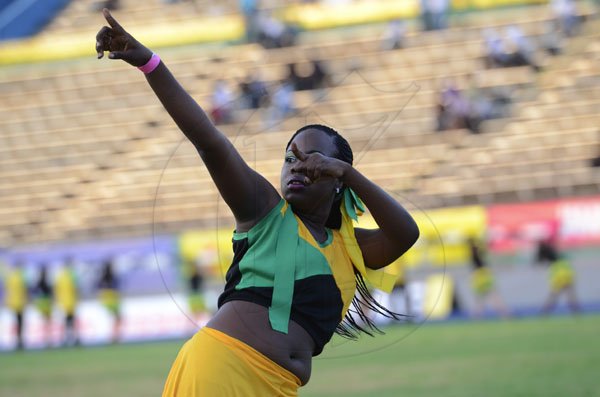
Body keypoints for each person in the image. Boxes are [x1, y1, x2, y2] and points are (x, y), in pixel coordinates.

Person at [96, 9, 419, 395]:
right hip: (223, 368)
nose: (297, 167)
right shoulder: (266, 212)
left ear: (335, 176)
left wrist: (349, 174)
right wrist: (150, 64)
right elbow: (209, 142)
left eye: (313, 159)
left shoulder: (349, 249)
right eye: (289, 158)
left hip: (278, 386)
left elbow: (405, 233)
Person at [535, 236, 580, 314]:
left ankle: (545, 311)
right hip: (565, 268)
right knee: (568, 291)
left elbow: (539, 261)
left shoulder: (542, 249)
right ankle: (576, 310)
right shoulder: (550, 248)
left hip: (558, 271)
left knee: (555, 293)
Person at [467, 237, 510, 318]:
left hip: (479, 276)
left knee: (481, 298)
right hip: (483, 275)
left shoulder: (472, 254)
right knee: (492, 296)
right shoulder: (477, 252)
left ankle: (477, 314)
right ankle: (504, 313)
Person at [55, 259, 79, 346]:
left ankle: (65, 338)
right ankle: (73, 338)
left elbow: (56, 290)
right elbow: (75, 289)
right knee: (71, 321)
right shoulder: (72, 275)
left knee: (65, 322)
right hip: (70, 302)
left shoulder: (60, 276)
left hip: (63, 303)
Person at [4, 261, 28, 350]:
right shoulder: (20, 277)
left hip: (12, 303)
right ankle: (19, 340)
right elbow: (23, 290)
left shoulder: (11, 277)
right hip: (19, 303)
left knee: (16, 322)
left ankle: (16, 340)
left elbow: (8, 291)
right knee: (20, 322)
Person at [97, 260, 121, 344]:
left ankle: (113, 336)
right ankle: (114, 336)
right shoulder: (112, 276)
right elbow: (115, 286)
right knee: (117, 318)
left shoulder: (102, 277)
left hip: (105, 299)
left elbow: (98, 287)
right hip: (112, 299)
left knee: (113, 318)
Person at [33, 265, 53, 347]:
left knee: (45, 322)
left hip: (43, 304)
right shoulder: (45, 282)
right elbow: (49, 293)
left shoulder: (39, 282)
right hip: (46, 304)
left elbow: (35, 292)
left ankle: (46, 339)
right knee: (46, 322)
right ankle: (47, 339)